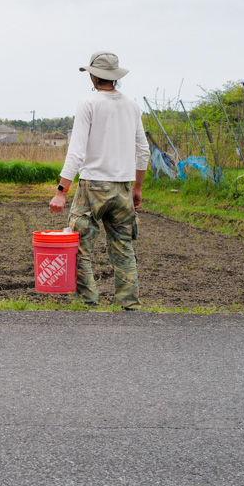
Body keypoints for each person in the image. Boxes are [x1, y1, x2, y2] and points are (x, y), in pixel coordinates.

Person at [49, 51, 150, 309]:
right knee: (123, 247)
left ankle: (87, 303)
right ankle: (129, 304)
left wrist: (62, 190)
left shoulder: (88, 103)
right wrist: (137, 188)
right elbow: (143, 151)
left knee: (80, 247)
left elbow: (77, 151)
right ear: (114, 77)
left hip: (92, 187)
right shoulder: (132, 105)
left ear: (94, 76)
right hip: (123, 188)